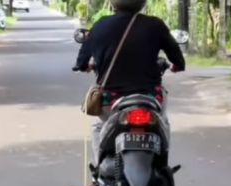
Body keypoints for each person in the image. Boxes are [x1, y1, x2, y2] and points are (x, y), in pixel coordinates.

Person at [72, 0, 185, 165]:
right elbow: (177, 58)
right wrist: (176, 66)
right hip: (150, 97)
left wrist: (86, 67)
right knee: (163, 122)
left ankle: (99, 169)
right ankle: (162, 163)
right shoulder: (155, 25)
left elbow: (81, 63)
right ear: (142, 3)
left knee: (98, 127)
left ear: (113, 4)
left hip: (111, 100)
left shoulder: (100, 26)